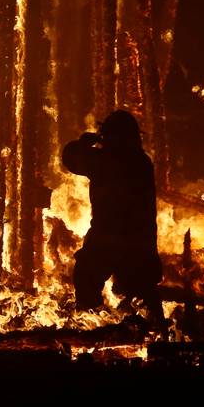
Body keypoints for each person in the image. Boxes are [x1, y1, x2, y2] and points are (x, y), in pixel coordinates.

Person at [61, 110, 164, 323]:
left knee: (86, 276)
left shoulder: (103, 161)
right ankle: (157, 332)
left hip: (107, 239)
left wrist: (85, 142)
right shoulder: (142, 162)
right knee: (143, 294)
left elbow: (70, 157)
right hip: (140, 242)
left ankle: (91, 326)